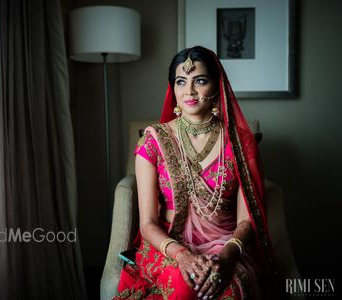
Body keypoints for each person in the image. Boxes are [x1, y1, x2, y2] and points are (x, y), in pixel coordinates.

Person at [113, 46, 279, 299]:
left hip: (226, 248)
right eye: (181, 81)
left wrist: (227, 256)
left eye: (200, 80)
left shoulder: (241, 143)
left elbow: (246, 221)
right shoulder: (154, 141)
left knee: (228, 289)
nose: (189, 91)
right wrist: (183, 256)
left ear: (216, 87)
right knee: (183, 285)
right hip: (169, 246)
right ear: (173, 89)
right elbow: (147, 224)